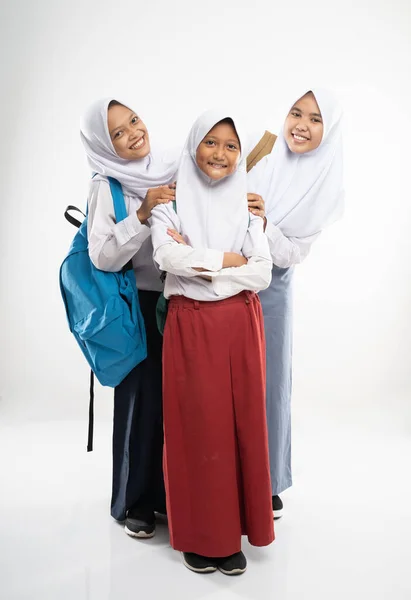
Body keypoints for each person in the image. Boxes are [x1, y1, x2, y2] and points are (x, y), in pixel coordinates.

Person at [150, 109, 274, 575]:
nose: (220, 153)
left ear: (240, 156)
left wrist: (198, 260)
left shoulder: (249, 206)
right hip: (191, 323)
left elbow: (261, 272)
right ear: (193, 145)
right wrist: (227, 257)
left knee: (241, 429)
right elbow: (166, 254)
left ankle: (236, 528)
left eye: (230, 146)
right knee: (198, 430)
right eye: (210, 142)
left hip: (241, 324)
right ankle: (203, 534)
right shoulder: (170, 202)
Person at [80, 97, 178, 538]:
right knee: (141, 405)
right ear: (105, 144)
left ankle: (167, 496)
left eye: (133, 120)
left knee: (177, 406)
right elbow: (101, 255)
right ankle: (134, 502)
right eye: (118, 132)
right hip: (136, 306)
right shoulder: (108, 185)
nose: (133, 132)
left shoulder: (172, 166)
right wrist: (141, 214)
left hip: (180, 301)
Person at [247, 88, 344, 518]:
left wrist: (262, 223)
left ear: (330, 129)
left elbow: (292, 254)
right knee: (227, 384)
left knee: (269, 386)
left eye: (316, 119)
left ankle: (266, 481)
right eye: (296, 112)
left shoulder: (323, 183)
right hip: (226, 276)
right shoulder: (263, 148)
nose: (301, 125)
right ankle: (224, 475)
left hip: (271, 289)